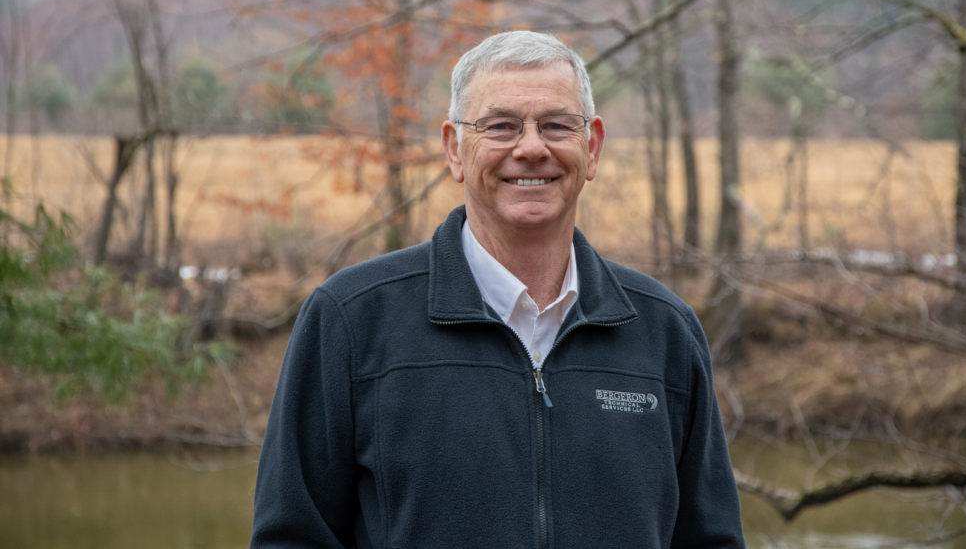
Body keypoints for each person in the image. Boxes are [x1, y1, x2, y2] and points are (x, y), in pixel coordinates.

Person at [250, 31, 745, 548]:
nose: (531, 148)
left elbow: (712, 539)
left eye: (556, 124)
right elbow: (292, 536)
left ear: (591, 147)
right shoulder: (351, 321)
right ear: (454, 148)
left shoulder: (665, 331)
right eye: (501, 126)